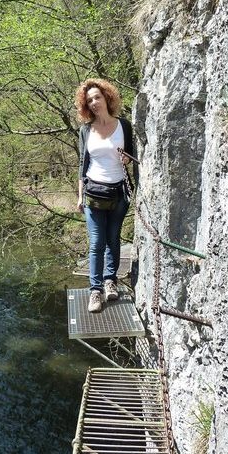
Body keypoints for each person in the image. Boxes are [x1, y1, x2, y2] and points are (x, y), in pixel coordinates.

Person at [75, 78, 134, 313]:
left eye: (97, 97)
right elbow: (82, 163)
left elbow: (131, 154)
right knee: (97, 243)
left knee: (113, 239)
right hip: (93, 193)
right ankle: (95, 291)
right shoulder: (86, 130)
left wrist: (127, 158)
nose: (94, 102)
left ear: (107, 98)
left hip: (118, 192)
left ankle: (111, 281)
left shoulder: (124, 126)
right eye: (89, 100)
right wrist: (80, 196)